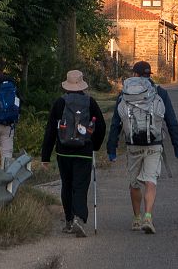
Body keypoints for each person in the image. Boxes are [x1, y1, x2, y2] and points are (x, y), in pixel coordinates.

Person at [106, 61, 178, 235]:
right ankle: (148, 216)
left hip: (133, 145)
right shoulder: (159, 92)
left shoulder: (124, 94)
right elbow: (171, 121)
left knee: (134, 183)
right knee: (150, 181)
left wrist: (111, 148)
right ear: (150, 75)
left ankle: (136, 218)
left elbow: (116, 123)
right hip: (154, 144)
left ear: (134, 75)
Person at [41, 70, 107, 237]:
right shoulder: (90, 102)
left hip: (63, 152)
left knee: (67, 185)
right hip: (84, 151)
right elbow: (101, 126)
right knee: (80, 186)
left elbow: (50, 130)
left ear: (67, 86)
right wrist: (95, 145)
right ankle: (80, 218)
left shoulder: (59, 103)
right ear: (82, 85)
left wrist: (45, 157)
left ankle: (69, 221)